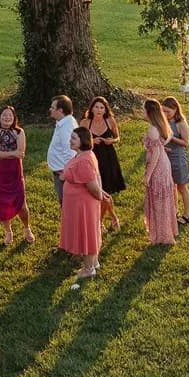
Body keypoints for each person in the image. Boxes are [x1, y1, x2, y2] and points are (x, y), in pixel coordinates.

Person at [59, 127, 104, 282]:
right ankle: (94, 262)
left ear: (83, 141)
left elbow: (92, 185)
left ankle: (88, 268)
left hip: (83, 205)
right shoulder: (82, 155)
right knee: (87, 231)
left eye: (74, 138)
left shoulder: (85, 160)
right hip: (77, 203)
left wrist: (99, 195)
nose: (70, 140)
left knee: (87, 233)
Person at [0, 105, 35, 249]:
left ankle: (27, 228)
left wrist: (9, 154)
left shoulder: (19, 132)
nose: (7, 118)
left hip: (14, 171)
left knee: (21, 202)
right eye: (4, 115)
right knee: (2, 202)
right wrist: (13, 153)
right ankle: (8, 231)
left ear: (14, 117)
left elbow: (21, 153)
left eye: (10, 115)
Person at [141, 99, 178, 247]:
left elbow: (155, 153)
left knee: (158, 200)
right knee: (163, 199)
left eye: (143, 109)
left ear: (149, 112)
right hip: (164, 163)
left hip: (158, 167)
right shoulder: (160, 125)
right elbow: (166, 138)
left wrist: (148, 175)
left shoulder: (152, 129)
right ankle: (164, 231)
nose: (142, 111)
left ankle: (162, 236)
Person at [84, 96, 125, 229]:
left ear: (105, 109)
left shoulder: (110, 121)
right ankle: (113, 218)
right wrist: (92, 141)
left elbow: (117, 137)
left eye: (102, 107)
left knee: (105, 191)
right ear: (92, 108)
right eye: (96, 107)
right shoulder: (85, 123)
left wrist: (111, 141)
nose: (99, 110)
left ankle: (100, 222)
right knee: (98, 191)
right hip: (92, 158)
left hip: (108, 158)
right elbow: (79, 141)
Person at [161, 96, 189, 226]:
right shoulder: (164, 121)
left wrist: (172, 138)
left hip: (178, 158)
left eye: (168, 111)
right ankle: (174, 211)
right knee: (171, 186)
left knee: (181, 187)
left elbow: (185, 143)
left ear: (175, 109)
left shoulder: (181, 123)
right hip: (165, 157)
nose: (165, 114)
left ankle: (187, 214)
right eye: (163, 111)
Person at [45, 94, 78, 204]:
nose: (50, 109)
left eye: (53, 108)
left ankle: (69, 221)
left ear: (61, 110)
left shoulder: (66, 127)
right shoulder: (62, 122)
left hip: (63, 174)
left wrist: (66, 173)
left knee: (66, 203)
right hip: (61, 172)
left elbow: (70, 151)